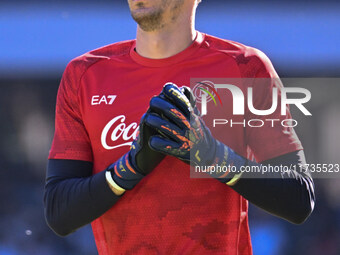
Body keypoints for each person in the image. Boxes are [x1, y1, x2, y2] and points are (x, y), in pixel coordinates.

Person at [44, 0, 315, 254]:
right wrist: (128, 169)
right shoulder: (84, 75)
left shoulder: (245, 67)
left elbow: (298, 199)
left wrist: (214, 158)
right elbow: (59, 213)